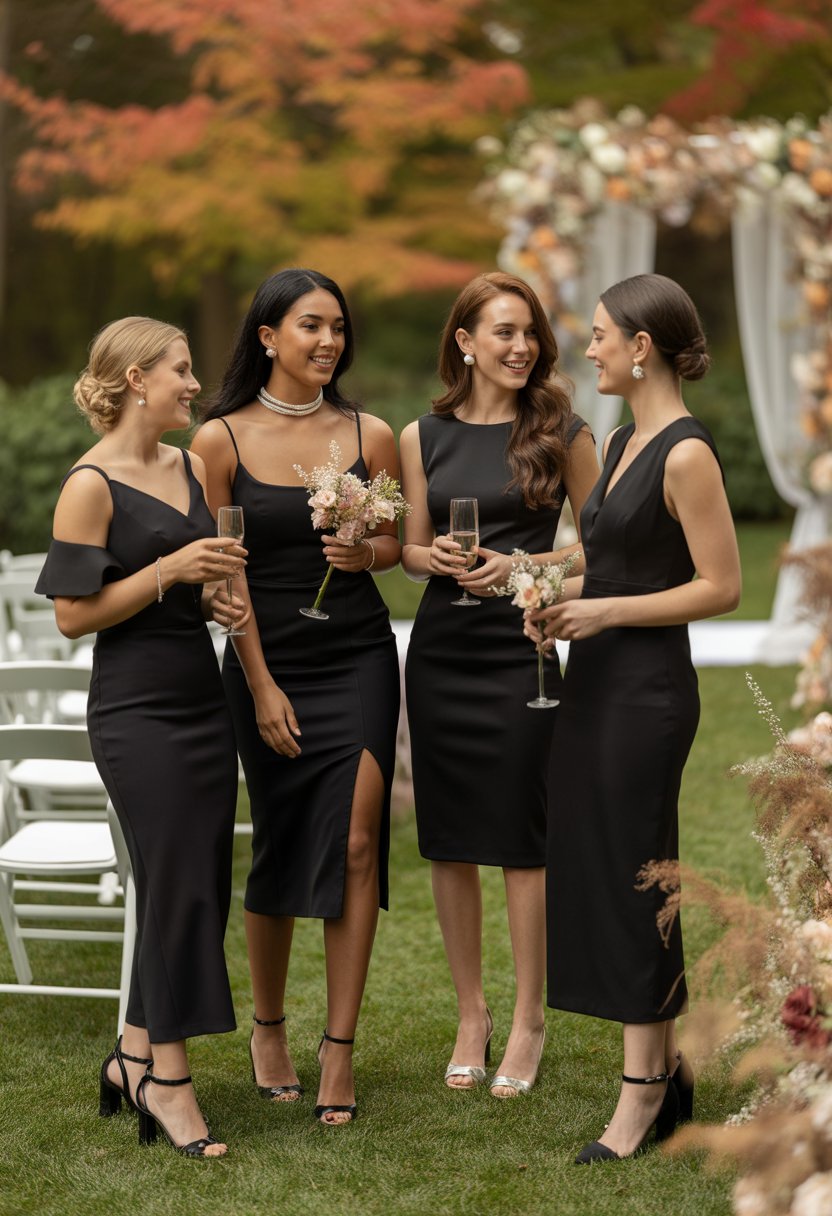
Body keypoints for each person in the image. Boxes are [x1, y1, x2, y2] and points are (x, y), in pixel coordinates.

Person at [528, 273, 741, 1162]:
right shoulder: (617, 442)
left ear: (641, 346)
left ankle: (643, 1092)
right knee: (607, 871)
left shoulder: (687, 453)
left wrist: (603, 614)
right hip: (596, 686)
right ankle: (664, 1072)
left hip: (649, 693)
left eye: (602, 334)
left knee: (634, 879)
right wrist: (540, 585)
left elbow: (721, 587)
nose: (589, 348)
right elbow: (609, 568)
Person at [191, 268, 400, 1126]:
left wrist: (366, 555)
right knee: (280, 843)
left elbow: (393, 544)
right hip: (262, 663)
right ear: (268, 336)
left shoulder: (369, 432)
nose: (328, 342)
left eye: (339, 329)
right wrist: (262, 681)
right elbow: (220, 582)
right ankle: (269, 1029)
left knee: (356, 841)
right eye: (311, 326)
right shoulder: (217, 442)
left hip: (357, 653)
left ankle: (339, 1048)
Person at [35, 317, 249, 1158]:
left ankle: (130, 1057)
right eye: (182, 370)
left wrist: (211, 599)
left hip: (202, 699)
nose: (195, 385)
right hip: (134, 710)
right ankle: (170, 1083)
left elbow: (192, 587)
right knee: (174, 884)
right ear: (134, 379)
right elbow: (70, 616)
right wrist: (169, 572)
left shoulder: (190, 465)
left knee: (194, 880)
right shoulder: (89, 484)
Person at [400, 271, 598, 1098]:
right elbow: (409, 550)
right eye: (504, 332)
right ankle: (471, 1013)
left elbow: (599, 548)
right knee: (449, 839)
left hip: (524, 649)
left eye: (530, 334)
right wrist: (433, 557)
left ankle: (528, 1019)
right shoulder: (421, 437)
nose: (521, 347)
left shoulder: (564, 432)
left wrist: (526, 566)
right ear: (465, 342)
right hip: (443, 650)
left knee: (521, 839)